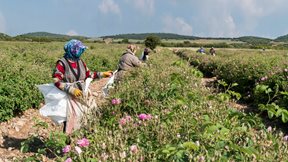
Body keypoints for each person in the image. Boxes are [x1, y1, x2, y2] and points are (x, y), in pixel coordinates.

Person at [52, 39, 112, 134]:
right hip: (70, 96)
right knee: (72, 120)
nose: (81, 52)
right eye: (79, 50)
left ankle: (85, 139)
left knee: (89, 116)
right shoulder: (62, 63)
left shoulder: (80, 62)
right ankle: (68, 143)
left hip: (83, 93)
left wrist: (102, 74)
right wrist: (71, 90)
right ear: (73, 50)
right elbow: (56, 81)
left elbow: (89, 74)